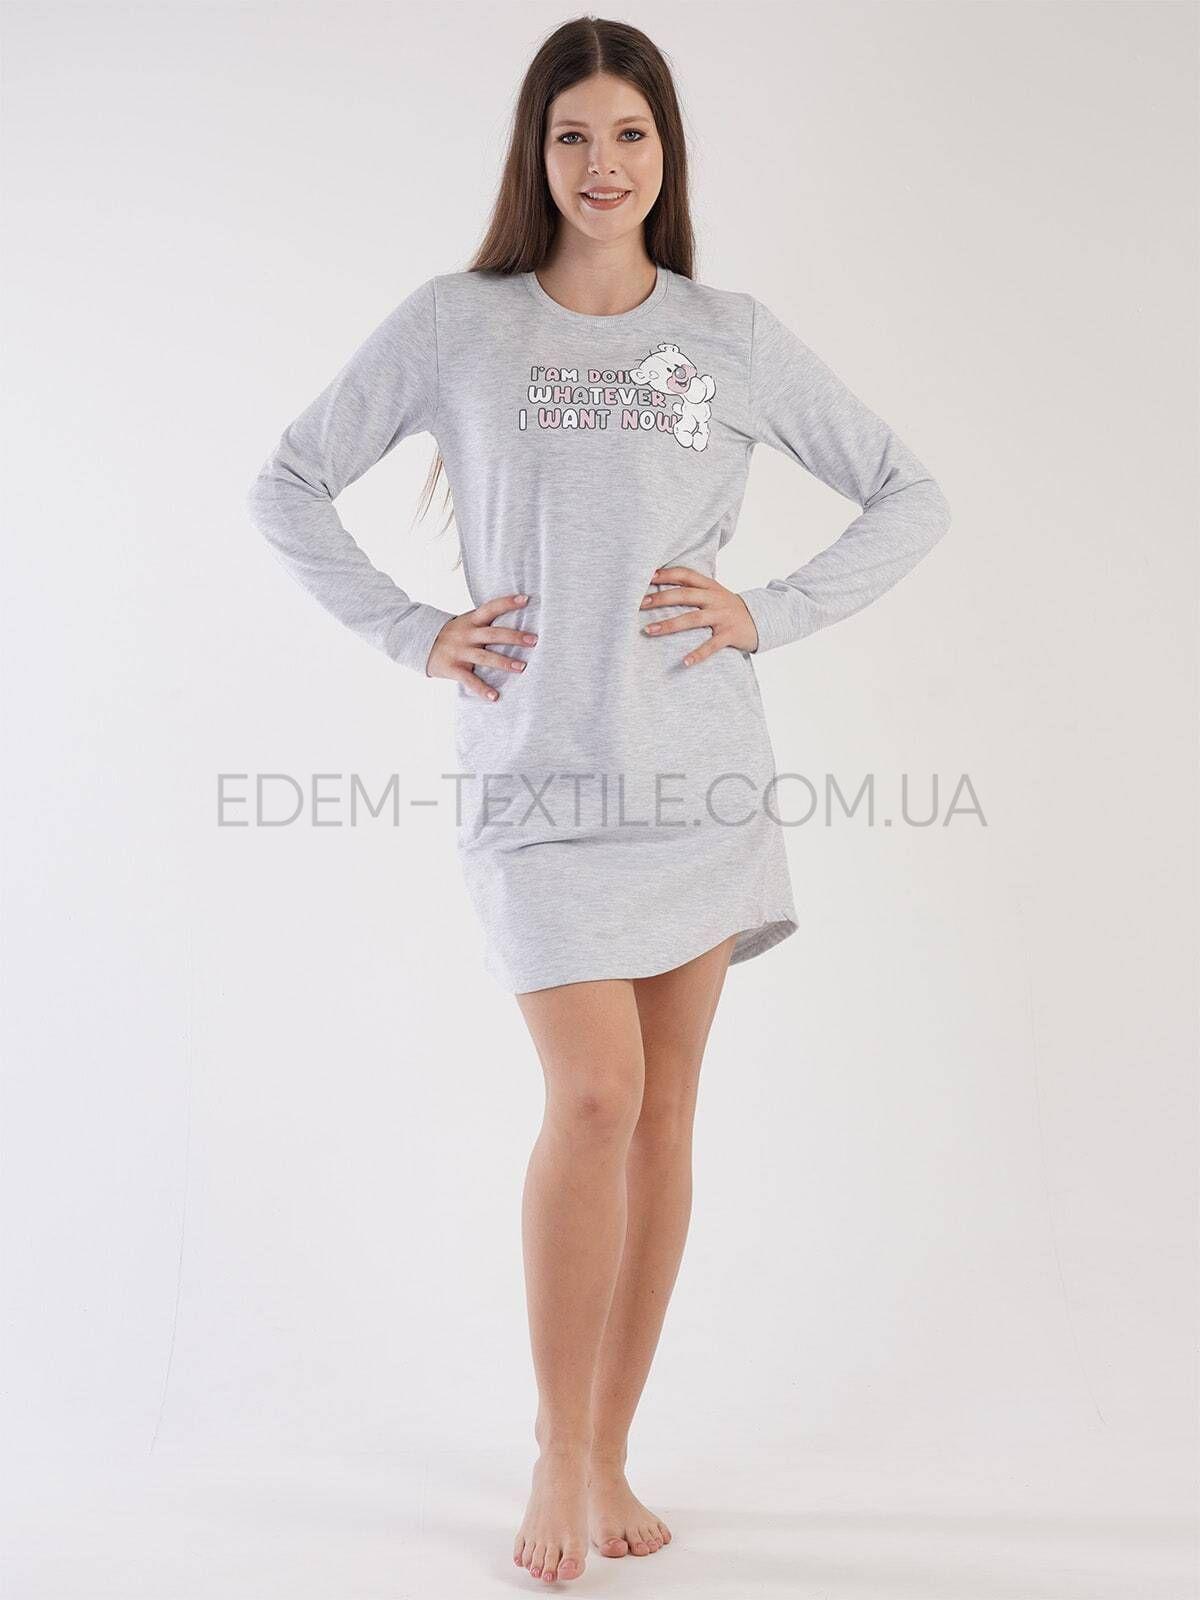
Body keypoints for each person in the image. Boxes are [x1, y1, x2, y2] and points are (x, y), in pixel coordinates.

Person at [246, 15, 951, 1586]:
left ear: (666, 152)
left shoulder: (731, 336)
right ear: (535, 153)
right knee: (594, 1099)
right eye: (573, 135)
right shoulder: (459, 325)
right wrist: (416, 631)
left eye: (630, 134)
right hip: (534, 784)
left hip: (699, 776)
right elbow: (285, 484)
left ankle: (613, 1444)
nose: (602, 164)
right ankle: (557, 1451)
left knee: (666, 1111)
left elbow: (912, 494)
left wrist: (769, 610)